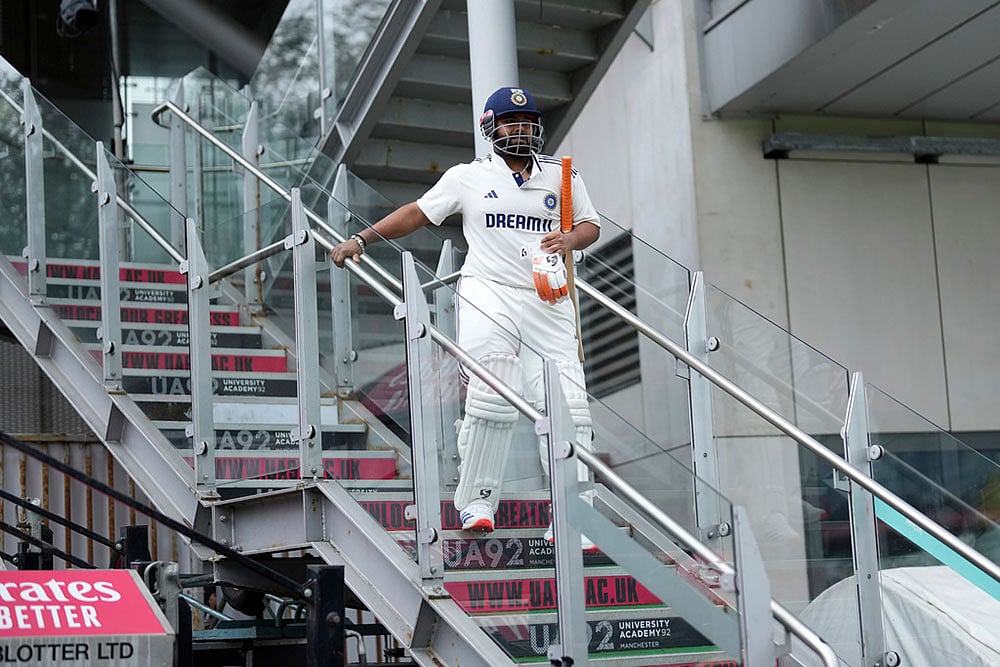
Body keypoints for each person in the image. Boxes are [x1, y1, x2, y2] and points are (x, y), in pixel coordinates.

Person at [330, 86, 600, 543]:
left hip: (548, 298)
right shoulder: (467, 177)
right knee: (493, 393)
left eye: (528, 121)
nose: (521, 129)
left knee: (568, 403)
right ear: (490, 128)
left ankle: (576, 512)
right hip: (487, 292)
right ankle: (477, 501)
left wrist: (571, 241)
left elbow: (591, 225)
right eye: (510, 122)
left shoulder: (562, 175)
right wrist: (362, 239)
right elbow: (418, 212)